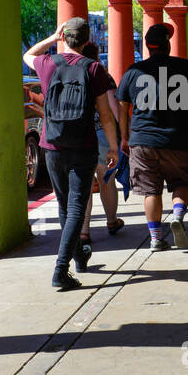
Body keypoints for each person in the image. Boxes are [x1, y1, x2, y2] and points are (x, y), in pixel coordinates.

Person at [23, 18, 118, 291]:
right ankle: (60, 269)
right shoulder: (94, 68)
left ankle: (78, 256)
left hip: (51, 146)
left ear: (65, 37)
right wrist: (112, 146)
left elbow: (28, 54)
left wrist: (53, 38)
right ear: (87, 40)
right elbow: (105, 116)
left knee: (67, 206)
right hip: (83, 145)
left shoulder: (48, 64)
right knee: (76, 205)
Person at [116, 22, 188, 251]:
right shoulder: (183, 66)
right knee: (182, 182)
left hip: (142, 141)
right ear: (168, 45)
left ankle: (156, 238)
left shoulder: (133, 71)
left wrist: (124, 137)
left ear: (147, 46)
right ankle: (177, 216)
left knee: (150, 190)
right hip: (177, 139)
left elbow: (121, 106)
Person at [77, 40, 125, 250]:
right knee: (107, 180)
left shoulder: (74, 74)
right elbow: (114, 107)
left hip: (81, 135)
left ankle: (84, 231)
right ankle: (112, 221)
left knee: (85, 185)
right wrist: (123, 136)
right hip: (103, 135)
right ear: (96, 55)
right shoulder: (103, 75)